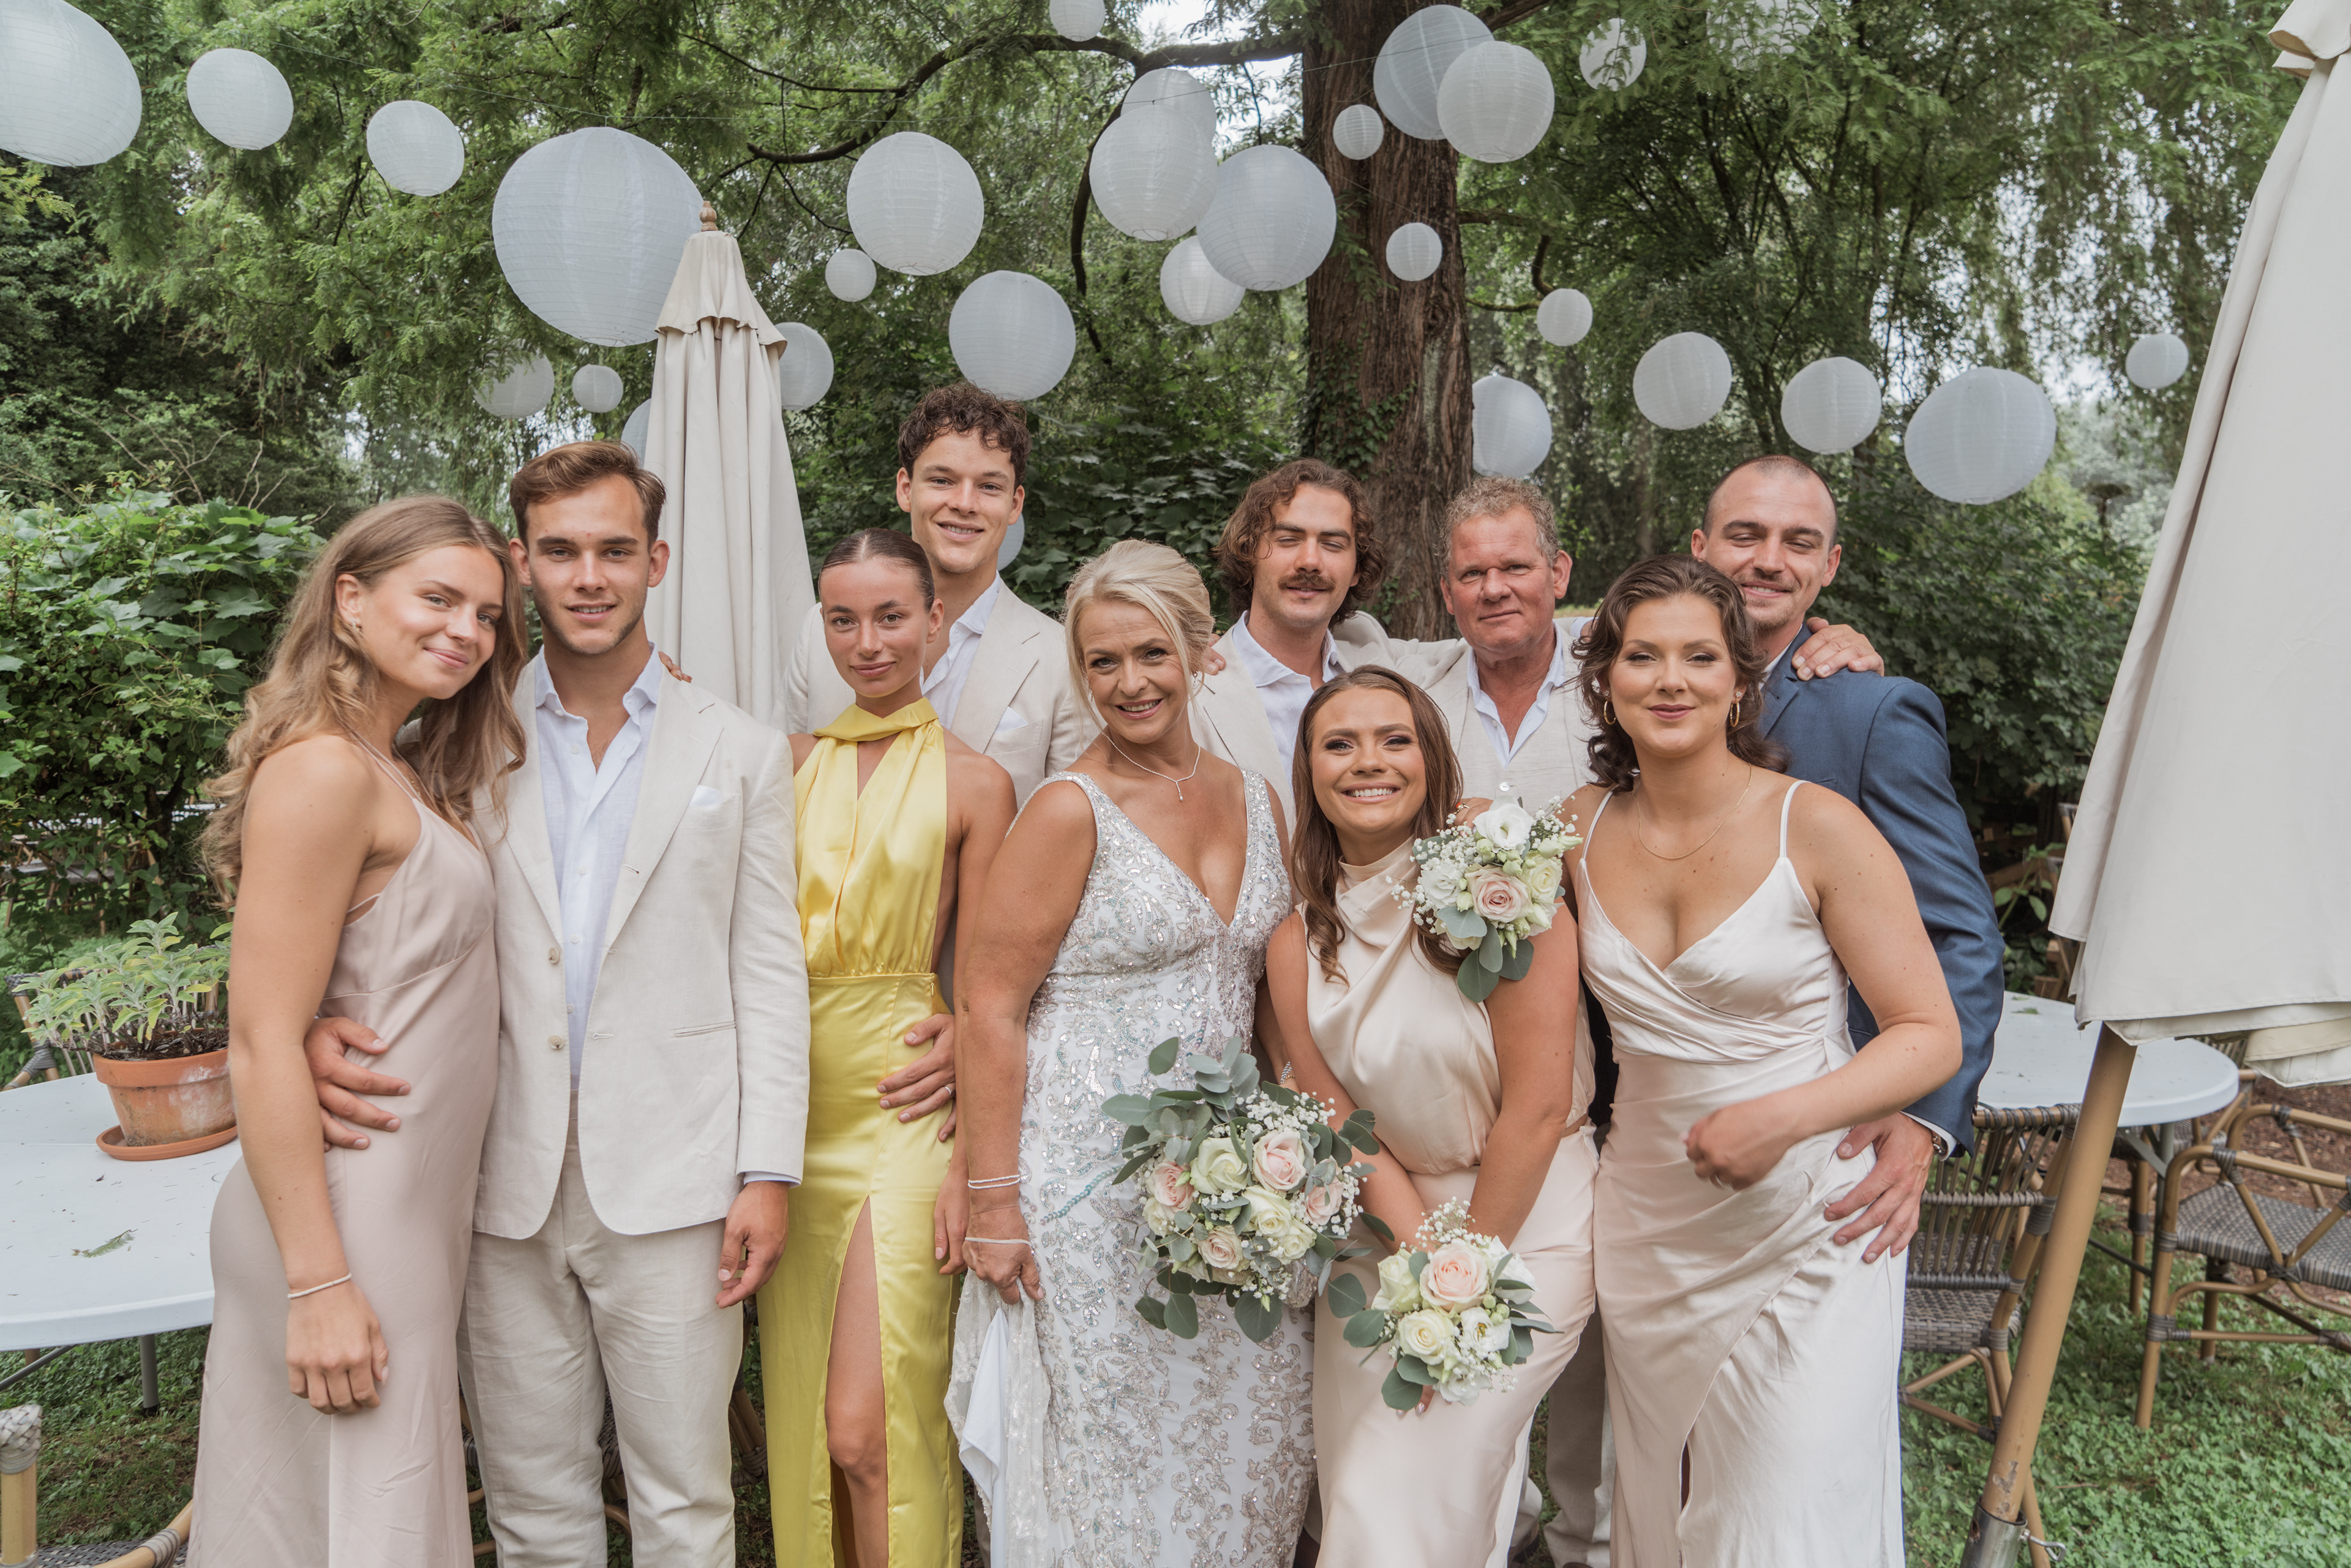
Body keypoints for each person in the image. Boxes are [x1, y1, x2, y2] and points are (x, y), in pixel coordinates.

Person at [301, 441, 810, 1566]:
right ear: (521, 563)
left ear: (656, 562)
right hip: (491, 1174)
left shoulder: (742, 751)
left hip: (679, 1177)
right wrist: (312, 1023)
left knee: (687, 1501)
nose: (590, 577)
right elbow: (361, 915)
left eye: (615, 551)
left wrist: (768, 1169)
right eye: (562, 551)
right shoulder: (444, 744)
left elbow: (769, 971)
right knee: (533, 1506)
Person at [1565, 554, 1960, 1564]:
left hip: (1810, 1214)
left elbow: (1928, 1030)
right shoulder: (1572, 829)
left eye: (1700, 657)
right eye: (1642, 656)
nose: (1671, 680)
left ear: (1742, 680)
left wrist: (1786, 1118)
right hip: (1648, 1219)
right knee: (1662, 1502)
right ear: (1605, 679)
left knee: (1780, 1513)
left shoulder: (1816, 824)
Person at [950, 539, 1314, 1566]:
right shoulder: (1068, 809)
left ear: (1202, 652)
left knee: (1244, 1447)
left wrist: (1301, 1149)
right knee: (1109, 1465)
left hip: (1232, 1194)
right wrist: (993, 1203)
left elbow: (1270, 996)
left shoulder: (1257, 797)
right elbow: (989, 1006)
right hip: (1086, 1196)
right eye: (1101, 662)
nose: (1128, 683)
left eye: (1151, 653)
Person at [190, 497, 528, 1564]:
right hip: (346, 1215)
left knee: (364, 1516)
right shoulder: (324, 770)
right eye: (439, 599)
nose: (467, 631)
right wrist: (320, 1284)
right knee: (366, 1520)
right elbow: (259, 1038)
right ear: (350, 600)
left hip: (403, 1208)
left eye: (487, 614)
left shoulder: (397, 764)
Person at [1258, 667, 1595, 1568]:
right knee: (1375, 1490)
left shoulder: (1502, 888)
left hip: (1530, 1214)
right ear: (1310, 771)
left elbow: (1538, 1106)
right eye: (1340, 743)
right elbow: (1337, 1119)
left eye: (1395, 739)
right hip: (1384, 1232)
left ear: (1432, 758)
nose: (1369, 761)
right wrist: (1419, 1258)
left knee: (1404, 1491)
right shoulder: (1296, 942)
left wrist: (1461, 1282)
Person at [759, 529, 1015, 1566]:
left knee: (871, 1432)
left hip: (904, 1109)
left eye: (891, 617)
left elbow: (993, 991)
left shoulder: (977, 782)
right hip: (784, 1119)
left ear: (935, 622)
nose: (868, 643)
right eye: (844, 619)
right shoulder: (779, 766)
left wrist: (969, 1165)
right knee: (809, 1433)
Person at [1689, 454, 2004, 1254]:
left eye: (1798, 542)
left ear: (1828, 567)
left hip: (1824, 1136)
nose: (1768, 560)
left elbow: (1959, 931)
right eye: (1745, 535)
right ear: (1700, 547)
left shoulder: (1875, 711)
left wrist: (1924, 1114)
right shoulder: (1635, 689)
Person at [782, 383, 1091, 805]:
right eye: (942, 480)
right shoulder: (818, 630)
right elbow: (779, 792)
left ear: (1015, 504)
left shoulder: (1061, 656)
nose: (964, 503)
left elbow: (1078, 817)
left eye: (989, 486)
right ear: (906, 488)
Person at [1191, 457, 1396, 821]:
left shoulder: (1380, 663)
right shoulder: (1190, 688)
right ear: (1249, 554)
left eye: (1333, 544)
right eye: (1288, 540)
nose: (1310, 561)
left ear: (1357, 570)